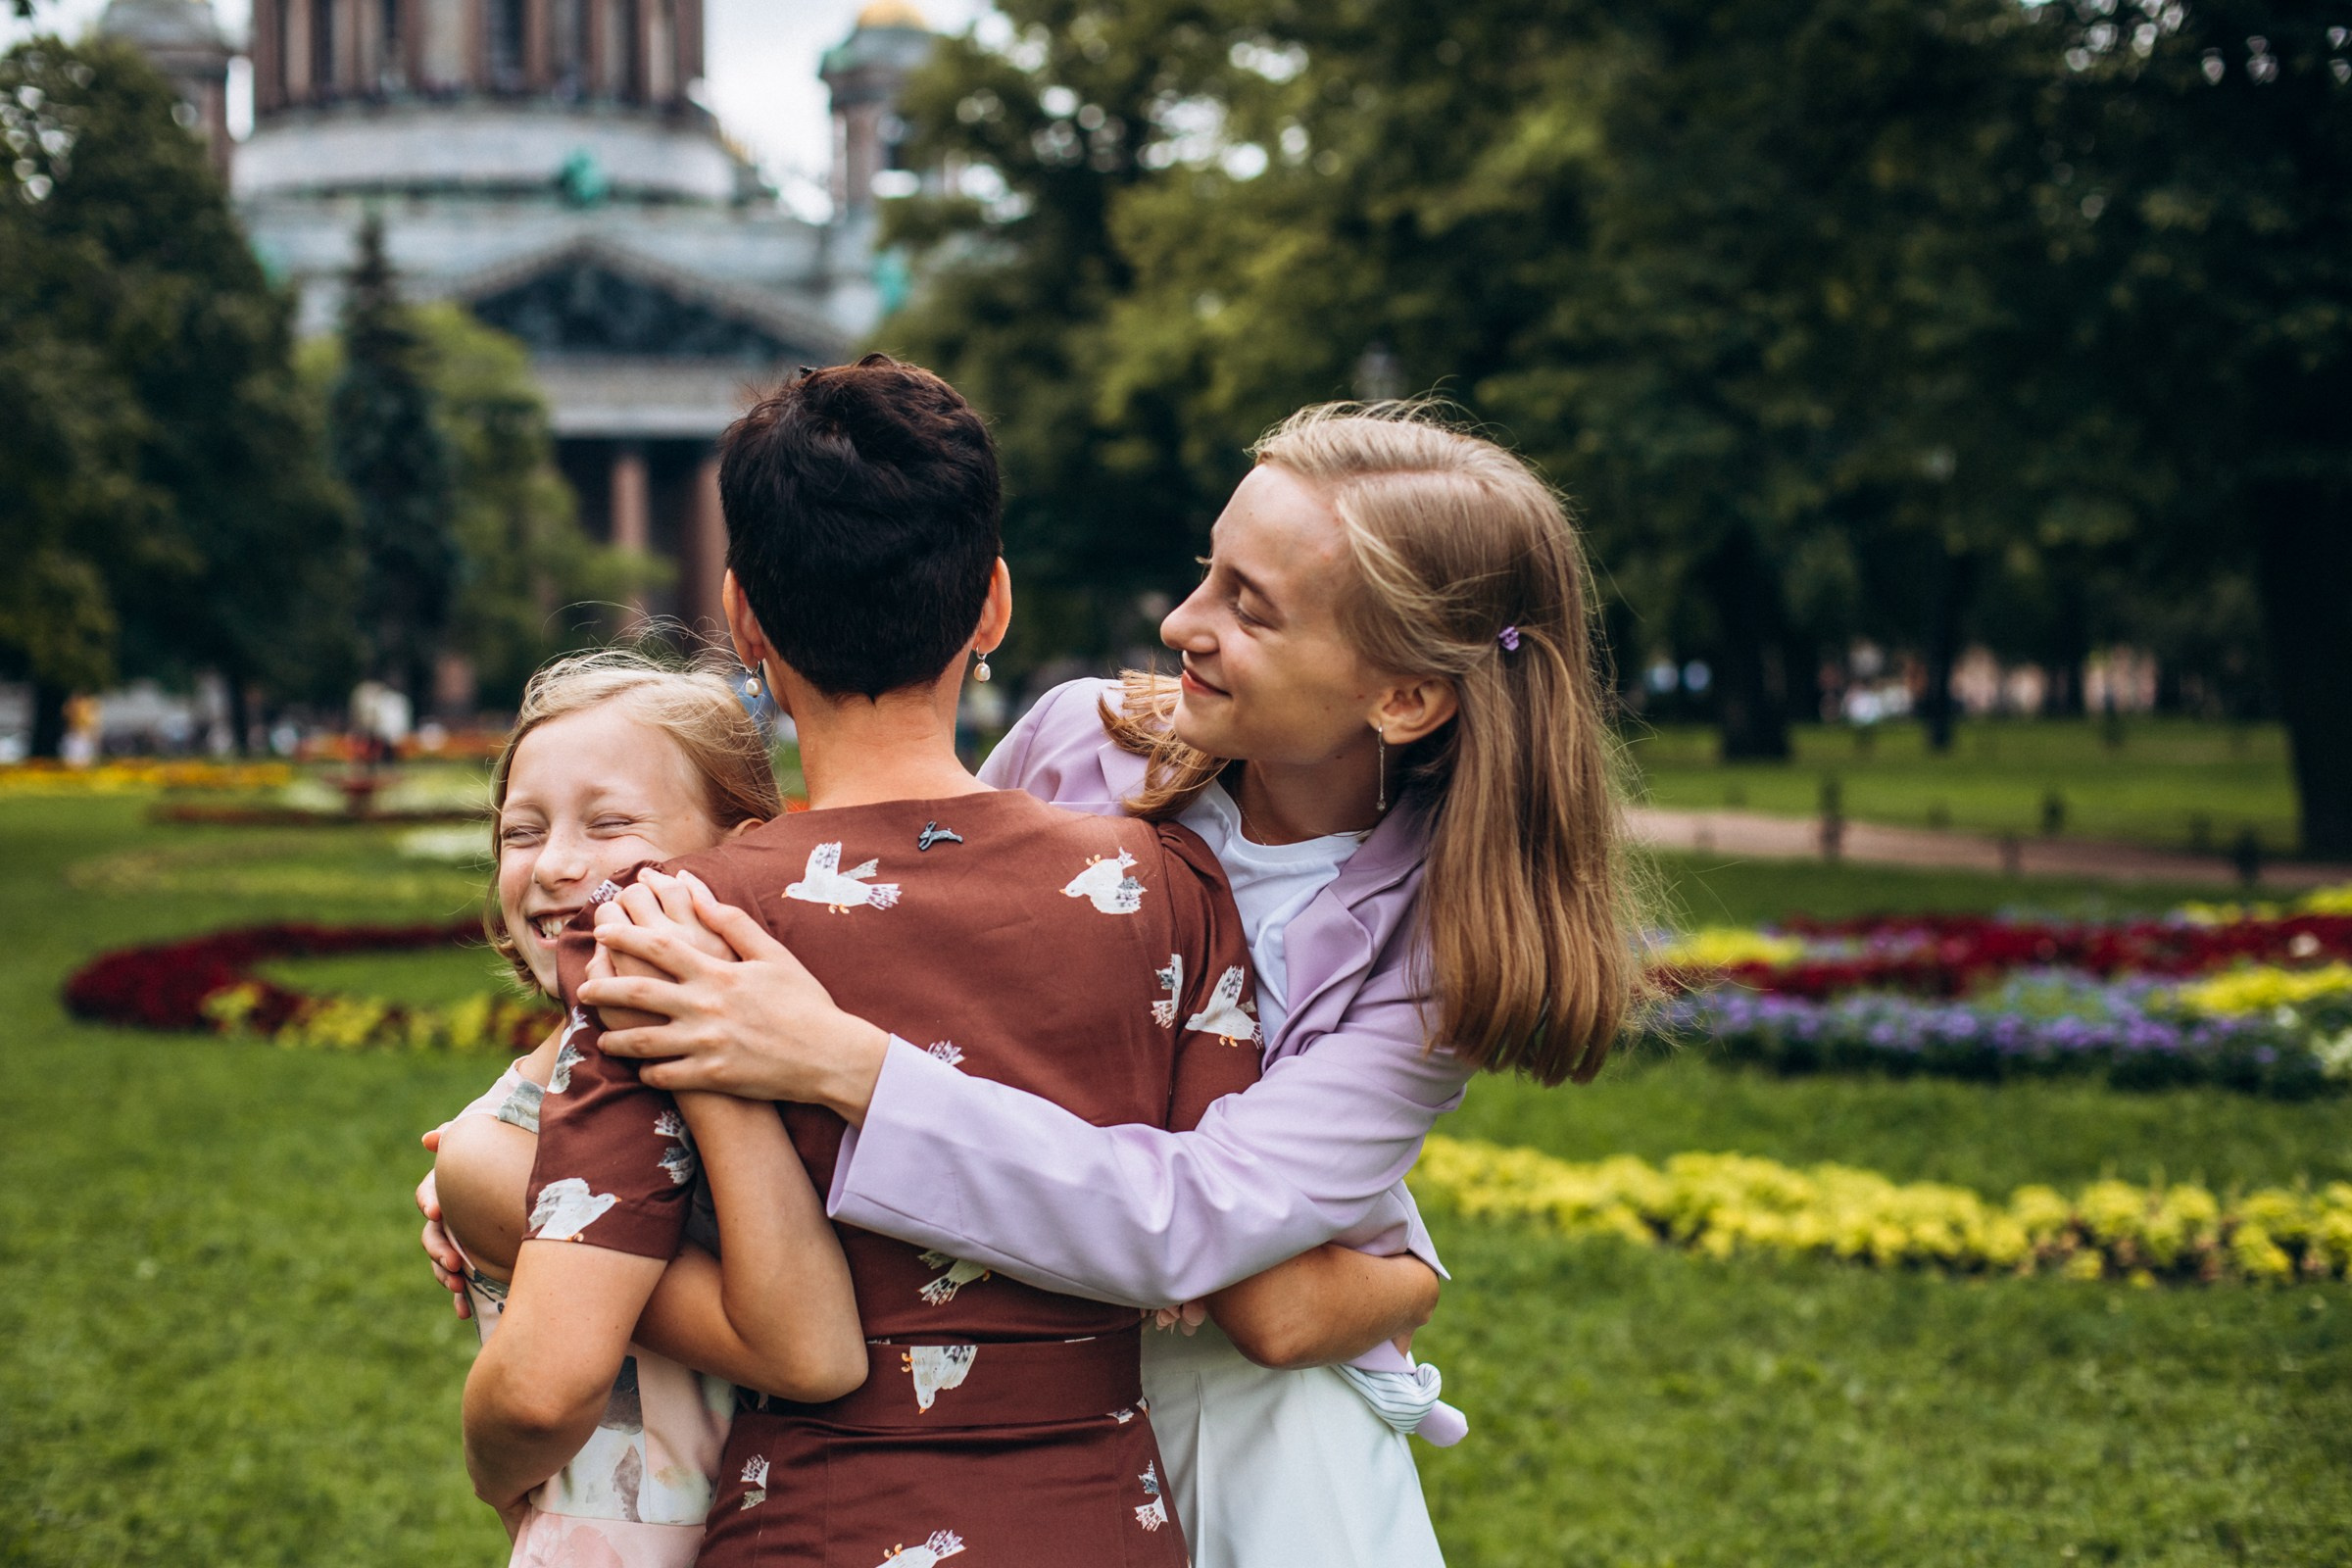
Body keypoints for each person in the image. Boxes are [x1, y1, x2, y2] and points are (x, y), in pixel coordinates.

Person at [572, 401, 1650, 1567]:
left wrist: (838, 1056)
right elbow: (916, 980)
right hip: (1019, 1402)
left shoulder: (1437, 954)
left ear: (1401, 695)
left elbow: (1211, 1242)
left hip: (1251, 1432)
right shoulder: (1080, 744)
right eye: (1208, 572)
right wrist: (534, 1158)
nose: (1183, 622)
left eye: (1251, 606)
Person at [465, 357, 1423, 1566]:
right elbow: (1225, 1236)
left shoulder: (674, 931)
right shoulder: (1175, 893)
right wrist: (1408, 1270)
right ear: (993, 608)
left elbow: (547, 1383)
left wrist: (491, 1443)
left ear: (743, 615)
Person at [424, 650, 867, 1567]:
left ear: (743, 850)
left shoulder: (820, 1048)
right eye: (521, 832)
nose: (553, 866)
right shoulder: (499, 1156)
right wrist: (489, 1466)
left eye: (609, 823)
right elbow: (803, 1350)